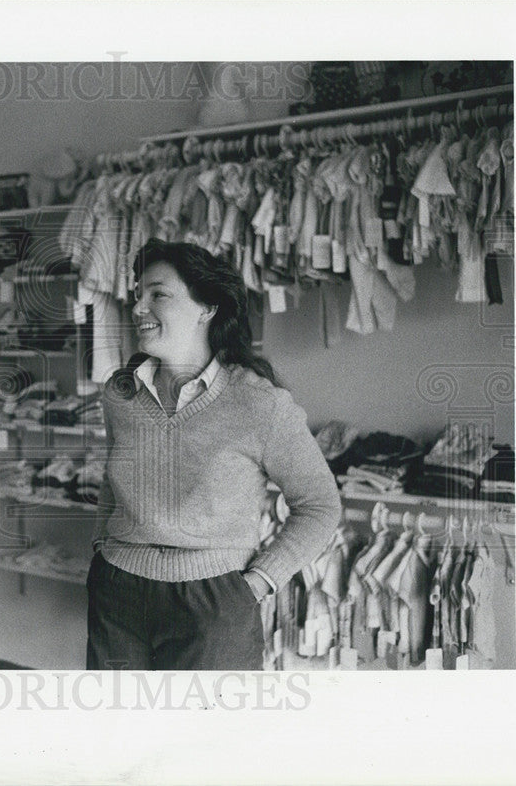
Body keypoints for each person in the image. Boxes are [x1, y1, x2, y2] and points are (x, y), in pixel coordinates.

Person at [87, 239, 341, 670]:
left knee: (207, 737)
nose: (137, 308)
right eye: (136, 295)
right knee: (120, 734)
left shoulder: (260, 403)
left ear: (206, 308)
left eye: (158, 295)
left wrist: (258, 583)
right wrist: (101, 548)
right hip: (117, 590)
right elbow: (113, 482)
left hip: (213, 602)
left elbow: (319, 506)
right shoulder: (120, 393)